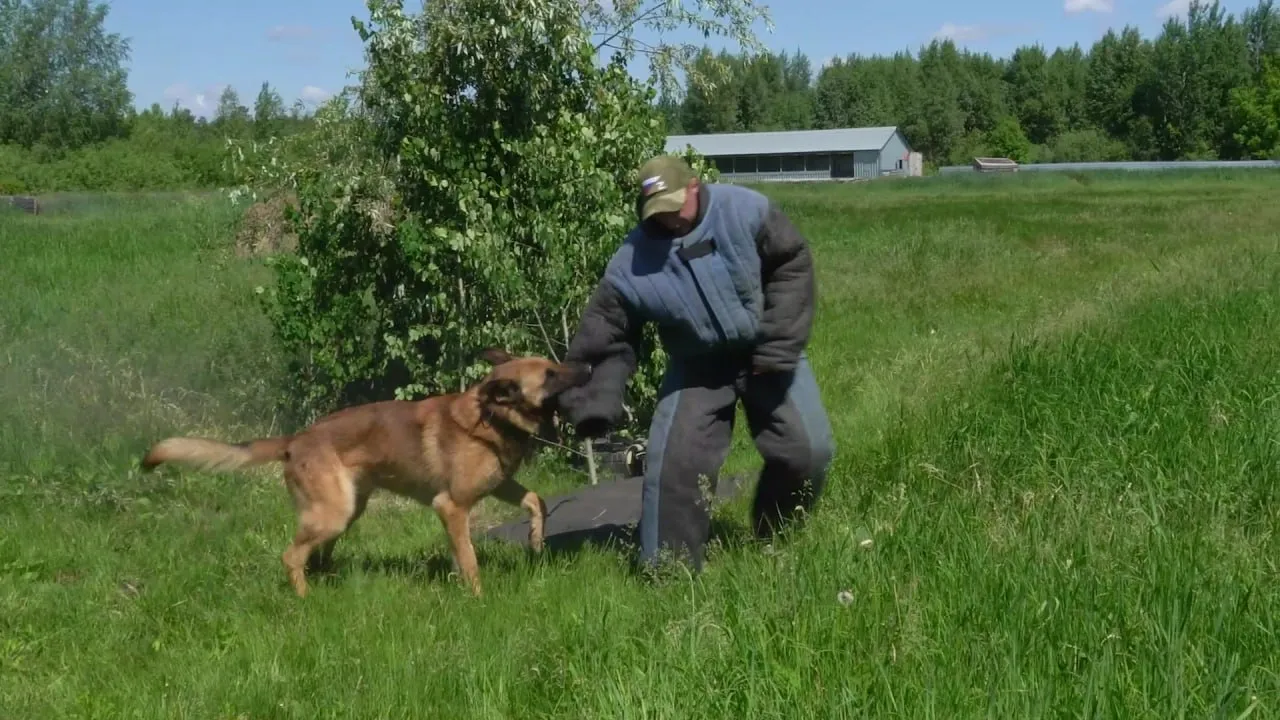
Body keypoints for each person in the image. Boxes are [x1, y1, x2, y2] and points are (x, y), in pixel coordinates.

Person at [555, 153, 835, 572]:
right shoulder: (631, 262)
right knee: (675, 468)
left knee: (807, 450)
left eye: (673, 208)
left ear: (694, 186)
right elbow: (606, 335)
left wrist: (777, 347)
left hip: (766, 351)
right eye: (657, 212)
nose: (668, 220)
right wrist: (591, 403)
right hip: (697, 366)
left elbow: (790, 264)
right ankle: (668, 571)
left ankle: (777, 535)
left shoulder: (745, 210)